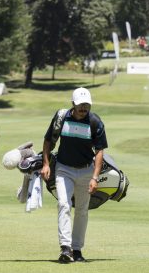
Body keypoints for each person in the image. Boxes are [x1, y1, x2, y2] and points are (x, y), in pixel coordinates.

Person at [39, 87, 108, 263]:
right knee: (64, 204)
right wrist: (46, 164)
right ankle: (65, 247)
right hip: (64, 169)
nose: (83, 108)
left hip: (86, 170)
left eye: (86, 105)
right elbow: (48, 141)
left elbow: (100, 151)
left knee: (82, 210)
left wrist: (94, 177)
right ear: (73, 104)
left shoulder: (95, 122)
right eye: (80, 105)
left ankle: (77, 249)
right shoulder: (62, 118)